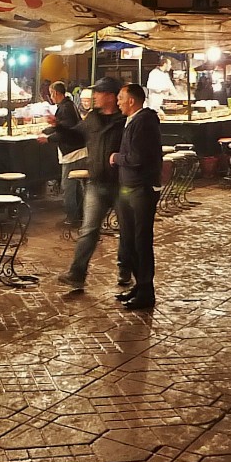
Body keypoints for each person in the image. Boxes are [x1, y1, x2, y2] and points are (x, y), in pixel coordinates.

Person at [53, 78, 126, 291]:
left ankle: (125, 270)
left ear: (111, 96)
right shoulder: (93, 117)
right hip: (96, 181)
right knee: (88, 229)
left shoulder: (124, 120)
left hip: (121, 183)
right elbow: (76, 136)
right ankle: (77, 273)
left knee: (127, 231)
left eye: (99, 93)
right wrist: (57, 127)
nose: (94, 96)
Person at [108, 83, 162, 310]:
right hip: (128, 188)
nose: (118, 102)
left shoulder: (144, 122)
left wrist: (116, 158)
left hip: (140, 189)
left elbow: (137, 157)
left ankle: (146, 291)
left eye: (120, 98)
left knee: (141, 241)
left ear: (132, 100)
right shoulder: (132, 122)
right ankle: (139, 286)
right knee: (130, 239)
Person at [38, 81, 86, 227]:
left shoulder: (65, 108)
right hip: (78, 151)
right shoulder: (67, 106)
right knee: (77, 187)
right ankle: (79, 216)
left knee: (69, 187)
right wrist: (48, 130)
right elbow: (62, 127)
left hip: (73, 153)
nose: (51, 97)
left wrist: (48, 139)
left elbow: (66, 131)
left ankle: (72, 219)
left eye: (51, 93)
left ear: (56, 93)